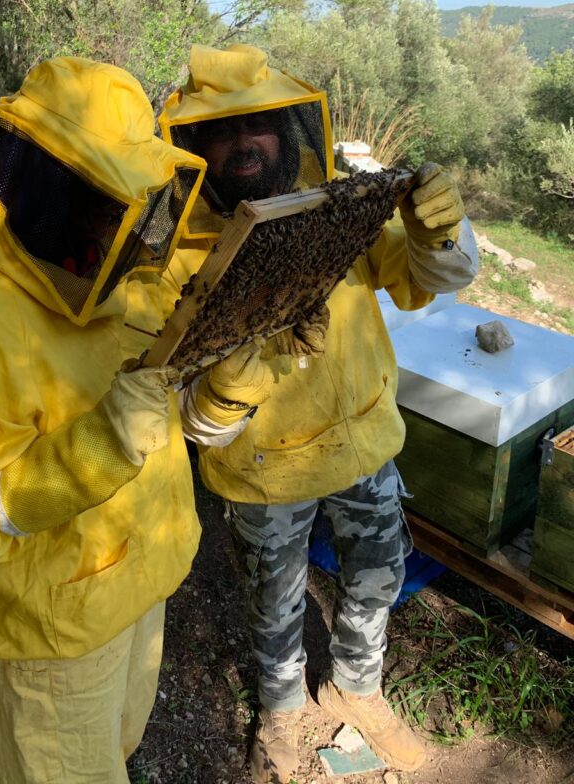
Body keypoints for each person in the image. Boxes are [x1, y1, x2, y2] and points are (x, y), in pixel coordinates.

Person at [0, 55, 245, 784]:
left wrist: (239, 368)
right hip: (50, 628)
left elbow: (171, 415)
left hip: (136, 584)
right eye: (101, 197)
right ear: (45, 184)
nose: (120, 221)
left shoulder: (122, 280)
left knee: (116, 749)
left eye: (129, 199)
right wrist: (99, 447)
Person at [158, 44, 479, 782]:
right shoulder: (174, 253)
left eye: (260, 125)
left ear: (288, 129)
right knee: (274, 599)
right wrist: (228, 385)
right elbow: (180, 410)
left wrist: (438, 231)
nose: (245, 142)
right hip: (263, 466)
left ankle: (357, 689)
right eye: (222, 131)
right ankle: (281, 711)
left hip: (362, 439)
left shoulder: (335, 205)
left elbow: (430, 276)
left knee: (377, 576)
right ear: (193, 143)